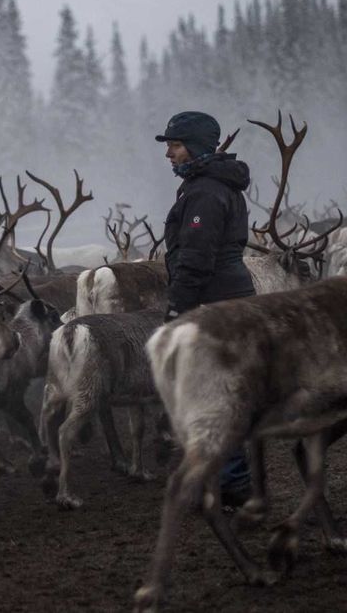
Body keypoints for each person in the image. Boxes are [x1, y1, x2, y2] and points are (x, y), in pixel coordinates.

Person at [155, 110, 255, 508]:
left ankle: (233, 485)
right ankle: (225, 481)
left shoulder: (205, 192)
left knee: (216, 393)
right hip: (227, 299)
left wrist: (176, 310)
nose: (169, 154)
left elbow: (196, 259)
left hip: (216, 305)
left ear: (195, 148)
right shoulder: (206, 186)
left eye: (175, 146)